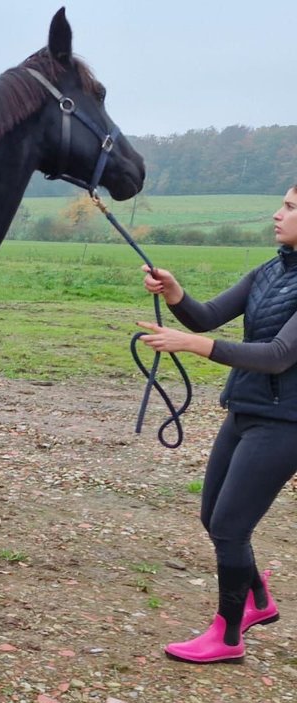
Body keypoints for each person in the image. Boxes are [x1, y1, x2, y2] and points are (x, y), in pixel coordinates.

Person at [136, 184, 297, 663]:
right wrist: (176, 292)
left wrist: (190, 346)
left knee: (229, 527)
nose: (277, 214)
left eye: (290, 207)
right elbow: (206, 317)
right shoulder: (270, 270)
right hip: (245, 410)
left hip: (285, 423)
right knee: (213, 516)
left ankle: (228, 637)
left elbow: (278, 356)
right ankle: (257, 599)